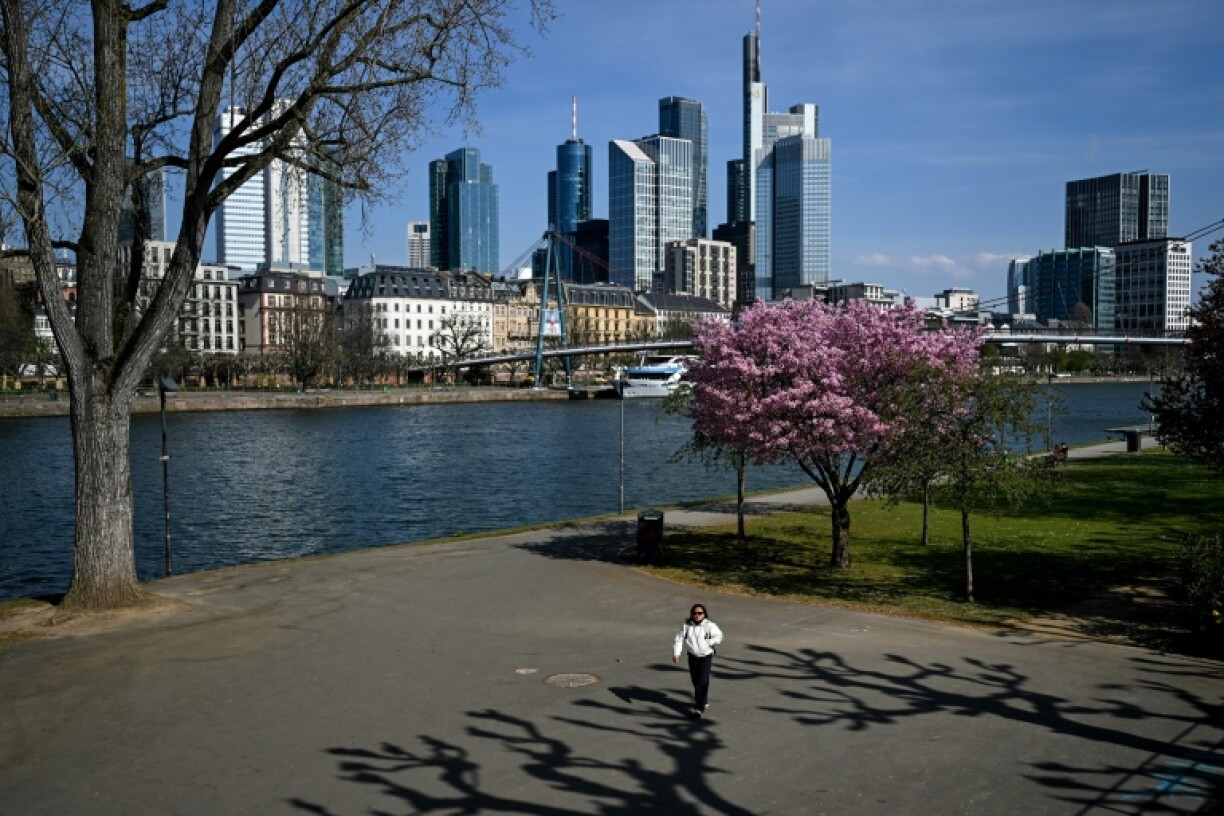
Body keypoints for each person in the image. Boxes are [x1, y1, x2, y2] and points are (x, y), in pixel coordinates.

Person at [672, 603, 723, 718]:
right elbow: (679, 639)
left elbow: (719, 636)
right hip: (692, 656)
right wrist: (676, 653)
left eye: (700, 613)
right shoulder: (687, 625)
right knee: (696, 681)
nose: (697, 615)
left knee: (702, 682)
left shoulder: (710, 625)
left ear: (704, 614)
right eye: (695, 613)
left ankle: (699, 709)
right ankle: (703, 700)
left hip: (705, 657)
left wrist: (709, 642)